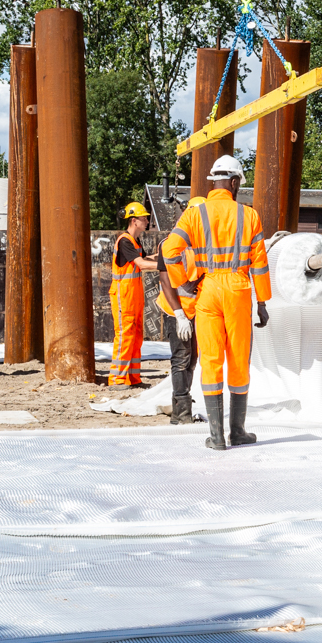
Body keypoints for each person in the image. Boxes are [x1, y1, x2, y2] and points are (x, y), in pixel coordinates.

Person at [162, 154, 271, 451]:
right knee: (238, 360)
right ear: (234, 183)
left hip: (207, 289)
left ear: (213, 182)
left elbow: (170, 249)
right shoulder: (249, 215)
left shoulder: (195, 214)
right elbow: (259, 264)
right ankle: (238, 431)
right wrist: (262, 302)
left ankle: (217, 436)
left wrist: (183, 280)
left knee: (211, 360)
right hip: (237, 288)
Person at [157, 195, 206, 424]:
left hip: (197, 310)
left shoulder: (204, 244)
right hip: (175, 310)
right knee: (181, 359)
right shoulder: (171, 244)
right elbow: (166, 282)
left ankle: (180, 411)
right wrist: (179, 315)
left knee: (192, 359)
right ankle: (182, 414)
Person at [106, 202, 155, 387]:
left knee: (136, 336)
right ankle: (117, 380)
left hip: (133, 297)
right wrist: (165, 265)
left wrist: (166, 256)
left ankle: (134, 379)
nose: (147, 221)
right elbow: (142, 265)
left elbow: (145, 259)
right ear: (134, 221)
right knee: (125, 335)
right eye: (144, 218)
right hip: (123, 296)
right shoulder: (125, 241)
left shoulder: (134, 242)